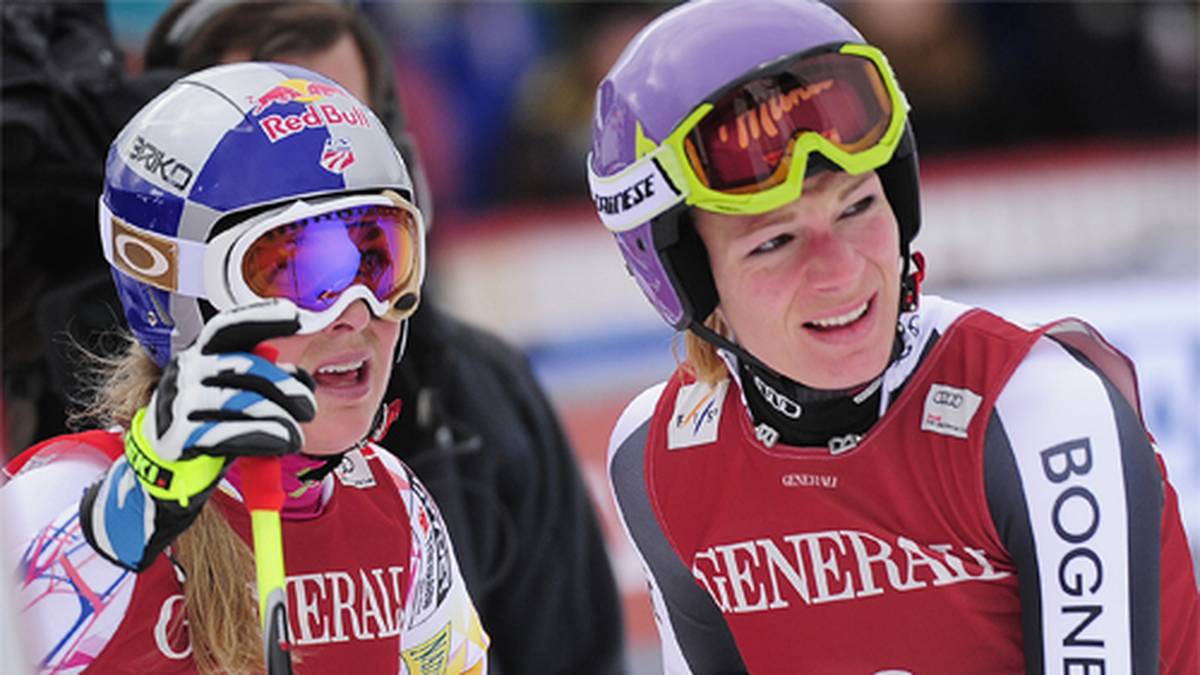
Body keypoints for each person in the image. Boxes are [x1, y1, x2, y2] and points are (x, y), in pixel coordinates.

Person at [4, 3, 625, 673]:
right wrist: (128, 518)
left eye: (382, 257)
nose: (358, 312)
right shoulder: (66, 491)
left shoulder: (393, 501)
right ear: (182, 296)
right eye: (302, 271)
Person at [587, 0, 1200, 672]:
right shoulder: (656, 456)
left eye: (858, 206)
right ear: (688, 281)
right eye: (775, 241)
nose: (842, 270)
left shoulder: (1037, 415)